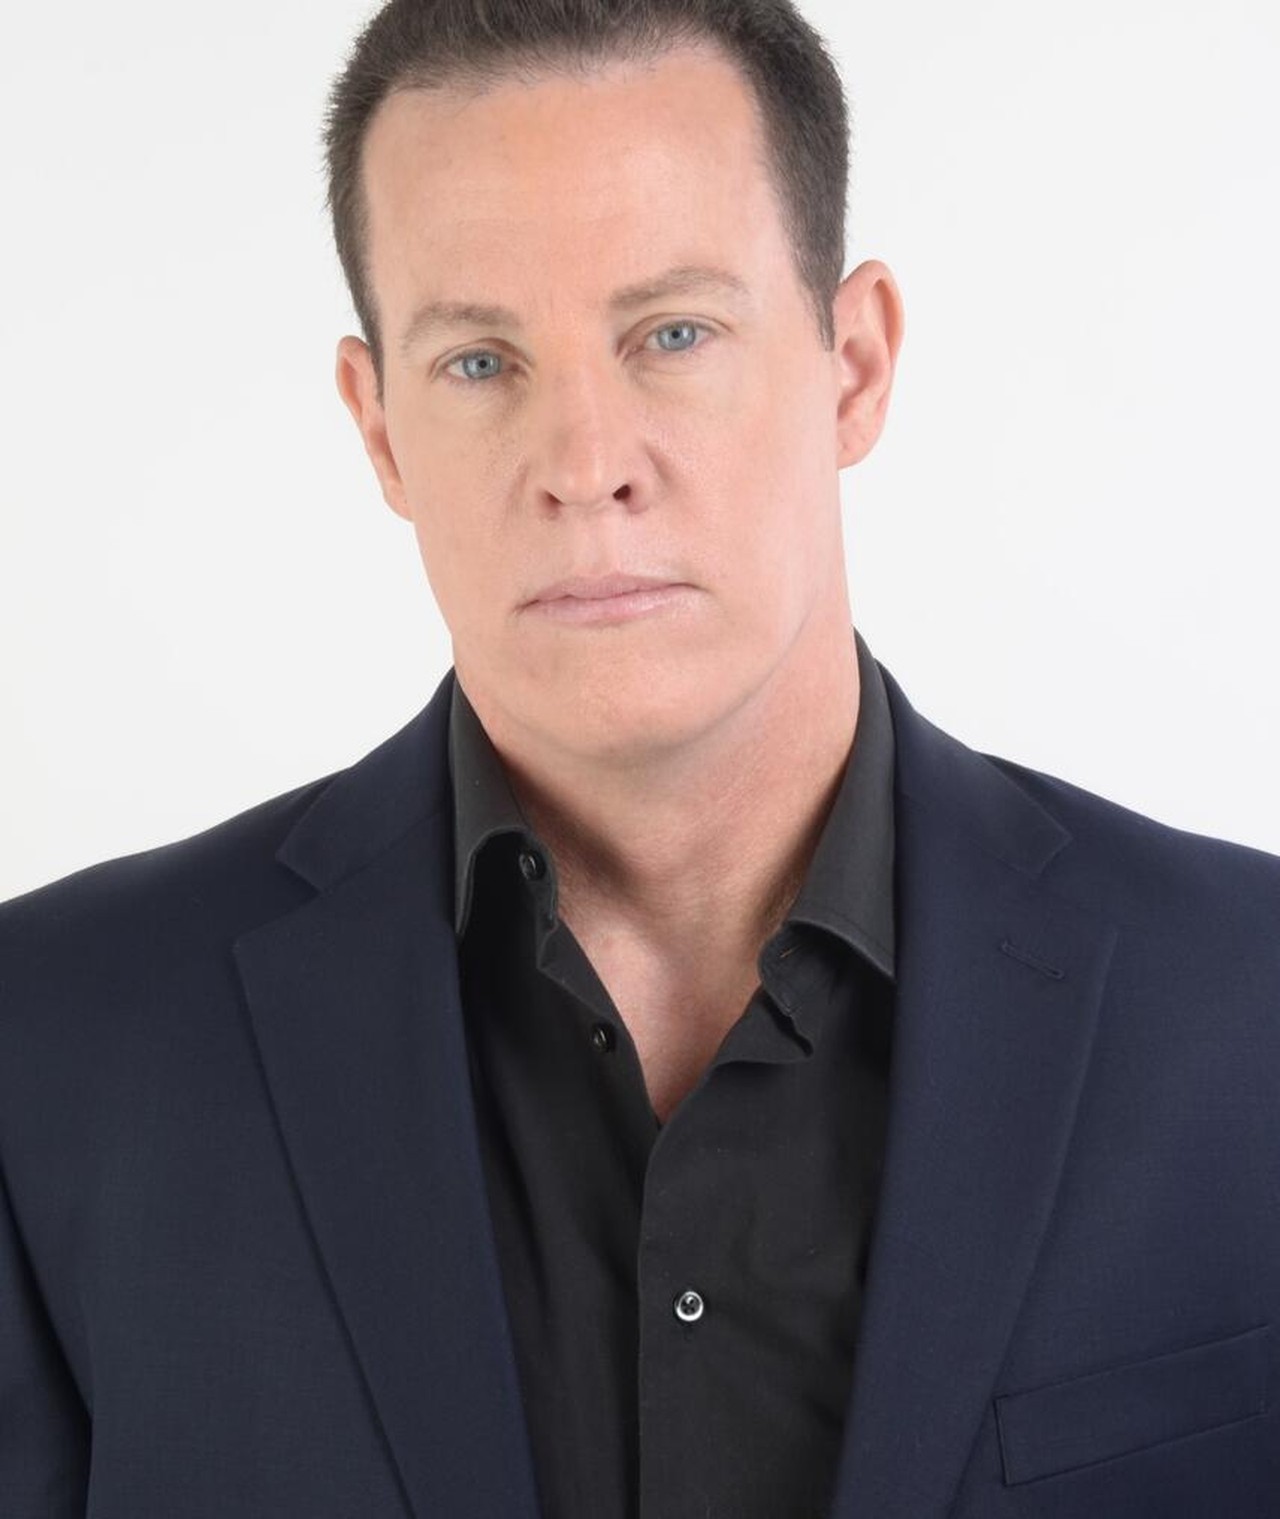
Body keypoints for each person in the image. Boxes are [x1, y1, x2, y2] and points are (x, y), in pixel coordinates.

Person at [1, 0, 1276, 1514]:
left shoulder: (1248, 1008)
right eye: (481, 361)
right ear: (381, 427)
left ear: (856, 366)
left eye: (672, 333)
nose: (584, 463)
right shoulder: (50, 1048)